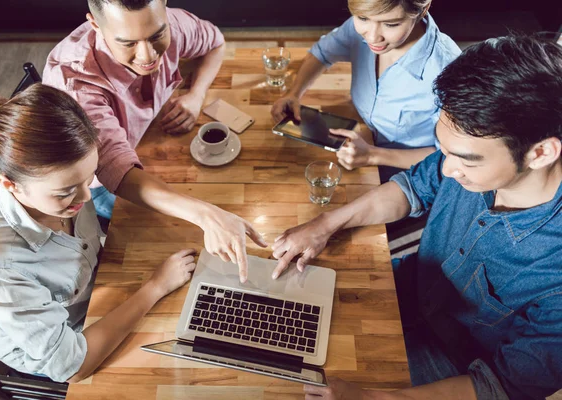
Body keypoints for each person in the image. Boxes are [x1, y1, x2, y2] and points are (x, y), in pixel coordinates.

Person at [274, 35, 562, 399]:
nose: (447, 167)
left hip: (454, 368)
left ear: (540, 153)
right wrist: (325, 224)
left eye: (466, 159)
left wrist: (370, 398)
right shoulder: (467, 155)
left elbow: (499, 388)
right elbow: (412, 187)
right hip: (410, 286)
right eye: (442, 149)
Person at [0, 84, 198, 383]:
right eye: (66, 192)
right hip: (63, 343)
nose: (86, 198)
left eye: (90, 177)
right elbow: (71, 366)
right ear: (10, 185)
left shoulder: (62, 191)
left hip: (95, 290)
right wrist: (155, 287)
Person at [43, 0, 266, 283]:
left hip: (146, 142)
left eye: (157, 36)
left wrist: (196, 95)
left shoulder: (171, 23)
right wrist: (208, 216)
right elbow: (117, 171)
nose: (147, 55)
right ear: (95, 25)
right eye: (128, 43)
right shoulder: (75, 84)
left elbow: (216, 43)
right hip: (101, 184)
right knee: (174, 247)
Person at [271, 0, 460, 178]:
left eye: (391, 24)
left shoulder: (450, 71)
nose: (372, 36)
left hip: (412, 176)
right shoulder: (368, 19)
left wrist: (371, 155)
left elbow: (452, 158)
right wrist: (294, 93)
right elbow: (323, 52)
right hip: (362, 144)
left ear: (423, 10)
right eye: (362, 19)